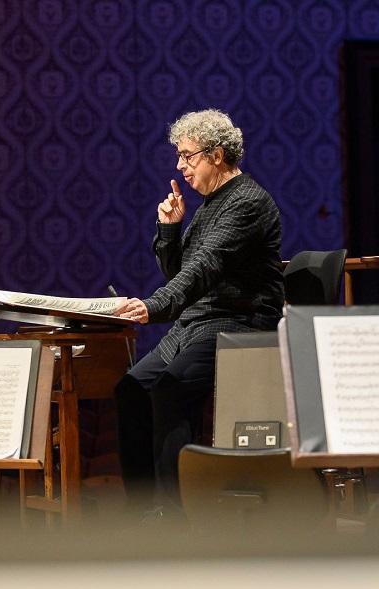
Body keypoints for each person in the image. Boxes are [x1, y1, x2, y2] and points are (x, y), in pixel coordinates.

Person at [113, 109, 285, 524]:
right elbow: (182, 274)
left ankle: (176, 515)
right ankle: (143, 511)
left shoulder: (248, 203)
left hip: (238, 323)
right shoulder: (210, 205)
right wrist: (170, 229)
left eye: (187, 155)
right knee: (131, 388)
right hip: (196, 323)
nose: (180, 165)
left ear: (216, 155)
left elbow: (204, 269)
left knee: (170, 389)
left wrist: (154, 305)